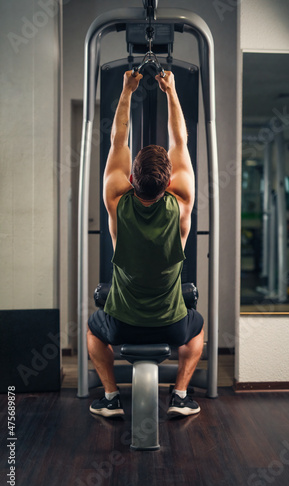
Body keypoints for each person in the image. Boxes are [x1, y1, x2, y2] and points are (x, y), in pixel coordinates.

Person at [87, 70, 204, 418]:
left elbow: (117, 139)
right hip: (171, 322)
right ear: (169, 181)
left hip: (123, 322)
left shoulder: (115, 198)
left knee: (95, 329)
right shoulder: (182, 201)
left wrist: (127, 90)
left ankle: (110, 397)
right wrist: (171, 91)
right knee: (196, 329)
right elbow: (180, 140)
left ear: (131, 179)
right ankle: (181, 395)